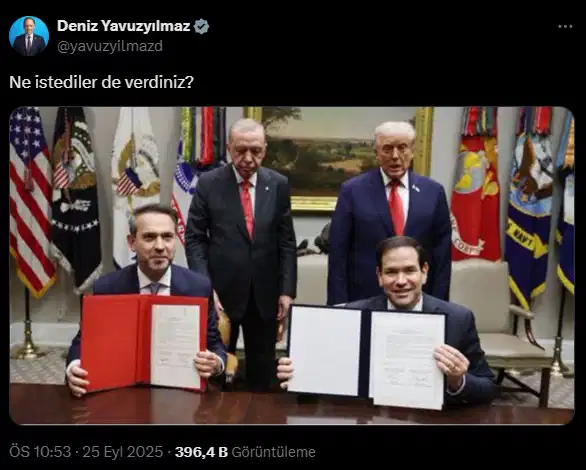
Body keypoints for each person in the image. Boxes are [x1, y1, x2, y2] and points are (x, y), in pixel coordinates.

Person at [279, 235, 498, 406]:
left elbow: (488, 387)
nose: (401, 281)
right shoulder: (349, 317)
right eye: (391, 272)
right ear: (379, 276)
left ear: (424, 272)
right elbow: (319, 388)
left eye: (410, 270)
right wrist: (299, 374)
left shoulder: (459, 319)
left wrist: (457, 381)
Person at [66, 203, 227, 398]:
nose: (160, 246)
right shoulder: (107, 287)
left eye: (167, 237)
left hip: (180, 393)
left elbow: (214, 343)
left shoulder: (198, 287)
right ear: (132, 243)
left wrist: (216, 363)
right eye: (149, 237)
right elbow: (83, 341)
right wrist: (74, 367)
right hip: (123, 391)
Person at [185, 118, 297, 392]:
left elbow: (286, 241)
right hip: (220, 295)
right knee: (217, 374)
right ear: (228, 148)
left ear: (265, 149)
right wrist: (205, 287)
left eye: (256, 151)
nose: (248, 158)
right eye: (240, 150)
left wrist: (286, 291)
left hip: (264, 294)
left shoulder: (278, 184)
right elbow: (195, 238)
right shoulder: (209, 183)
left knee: (263, 376)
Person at [327, 121, 452, 306]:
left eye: (402, 148)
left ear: (412, 151)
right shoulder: (352, 191)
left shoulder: (433, 192)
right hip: (364, 300)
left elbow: (442, 257)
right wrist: (338, 306)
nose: (395, 156)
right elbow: (338, 254)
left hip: (418, 302)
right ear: (377, 153)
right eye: (387, 149)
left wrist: (440, 307)